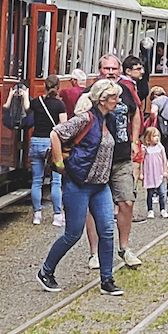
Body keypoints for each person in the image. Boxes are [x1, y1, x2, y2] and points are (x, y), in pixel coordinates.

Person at [40, 80, 127, 296]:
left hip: (100, 185)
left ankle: (107, 280)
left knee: (107, 230)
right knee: (73, 234)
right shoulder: (86, 118)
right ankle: (46, 271)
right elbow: (55, 134)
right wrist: (59, 164)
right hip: (78, 184)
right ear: (102, 99)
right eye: (114, 97)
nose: (117, 101)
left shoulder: (110, 120)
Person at [75, 55, 148, 268]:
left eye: (114, 68)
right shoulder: (90, 93)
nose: (110, 72)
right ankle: (94, 252)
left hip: (121, 157)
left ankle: (124, 248)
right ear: (99, 70)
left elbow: (136, 113)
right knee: (93, 206)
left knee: (127, 201)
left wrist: (135, 140)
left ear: (120, 71)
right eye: (106, 68)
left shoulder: (125, 91)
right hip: (96, 159)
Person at [25, 87, 67, 225]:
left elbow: (27, 109)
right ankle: (57, 216)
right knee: (56, 181)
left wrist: (25, 95)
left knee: (37, 180)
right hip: (52, 144)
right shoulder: (60, 104)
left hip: (36, 141)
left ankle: (37, 215)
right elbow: (64, 125)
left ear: (45, 87)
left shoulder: (36, 102)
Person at [140, 121, 168, 218]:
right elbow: (142, 161)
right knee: (150, 193)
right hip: (150, 173)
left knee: (162, 192)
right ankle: (150, 210)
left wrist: (165, 171)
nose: (156, 138)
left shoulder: (160, 147)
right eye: (154, 136)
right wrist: (141, 173)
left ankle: (163, 209)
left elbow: (164, 159)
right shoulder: (145, 148)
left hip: (159, 173)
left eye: (157, 136)